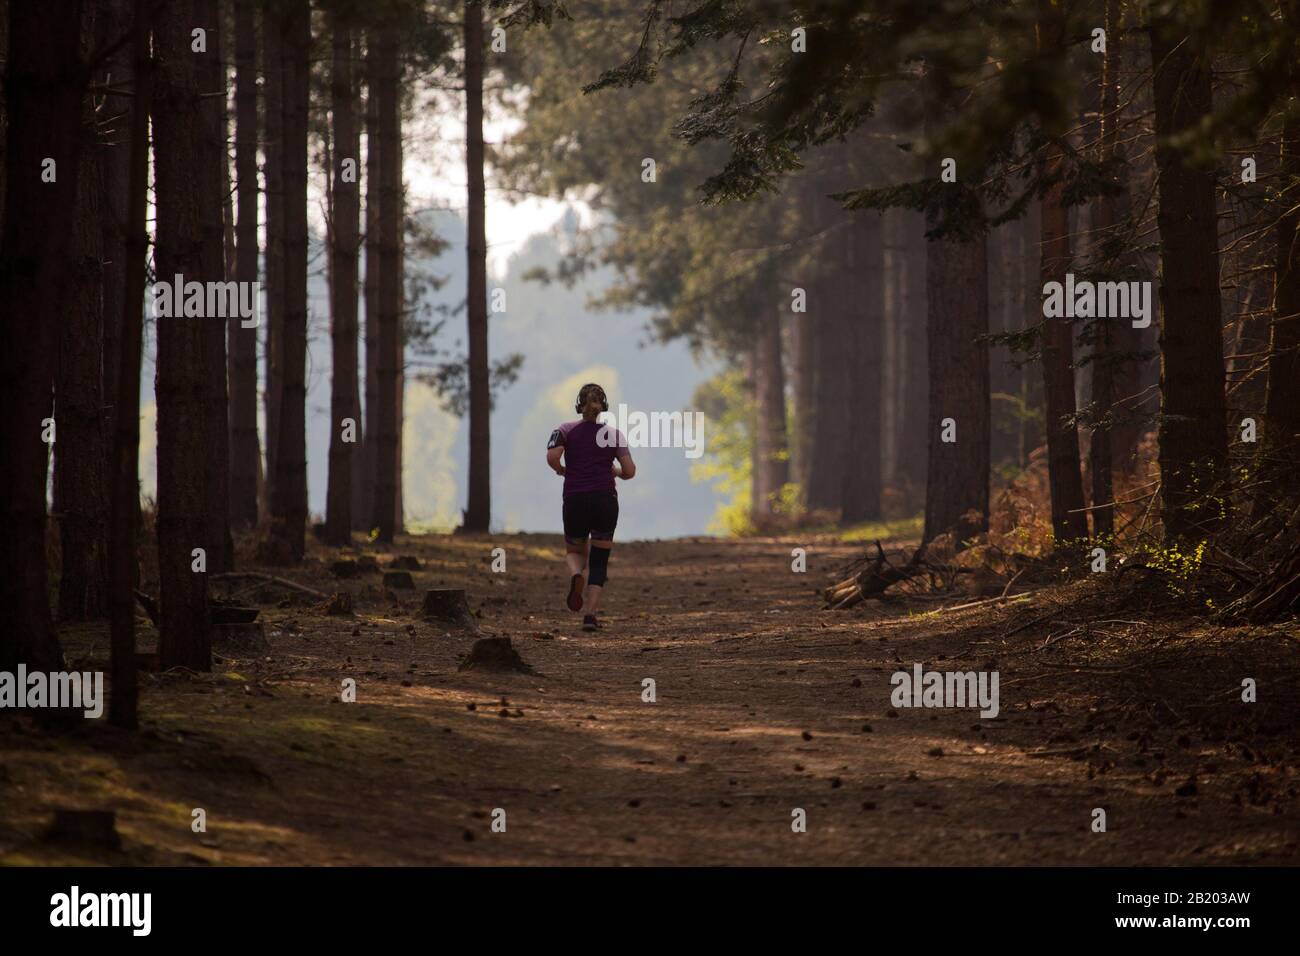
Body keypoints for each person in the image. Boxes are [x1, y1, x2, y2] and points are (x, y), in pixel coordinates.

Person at [546, 383, 636, 631]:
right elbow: (629, 471)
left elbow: (552, 457)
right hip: (605, 501)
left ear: (579, 404)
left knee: (575, 551)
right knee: (599, 561)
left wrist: (562, 470)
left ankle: (576, 574)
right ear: (603, 406)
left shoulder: (564, 429)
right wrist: (615, 471)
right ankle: (590, 615)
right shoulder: (614, 434)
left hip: (575, 499)